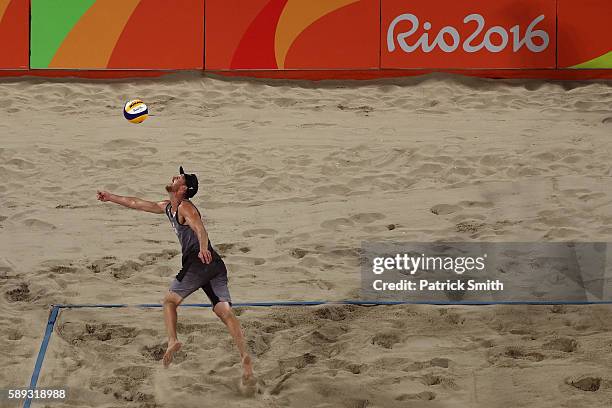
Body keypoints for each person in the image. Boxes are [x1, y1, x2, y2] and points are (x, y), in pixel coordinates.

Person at [96, 166, 254, 384]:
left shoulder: (185, 208)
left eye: (179, 177)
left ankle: (172, 341)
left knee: (169, 301)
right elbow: (137, 203)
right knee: (223, 310)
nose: (174, 177)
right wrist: (111, 197)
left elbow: (199, 226)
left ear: (184, 189)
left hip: (199, 260)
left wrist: (203, 247)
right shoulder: (168, 207)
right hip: (215, 265)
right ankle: (244, 356)